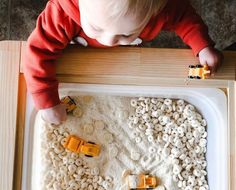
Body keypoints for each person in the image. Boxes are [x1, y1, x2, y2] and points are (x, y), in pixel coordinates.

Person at [24, 0, 223, 125]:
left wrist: (202, 45)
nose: (108, 41)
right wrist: (46, 101)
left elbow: (183, 18)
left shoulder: (162, 8)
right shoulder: (62, 12)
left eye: (125, 33)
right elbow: (38, 51)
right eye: (96, 27)